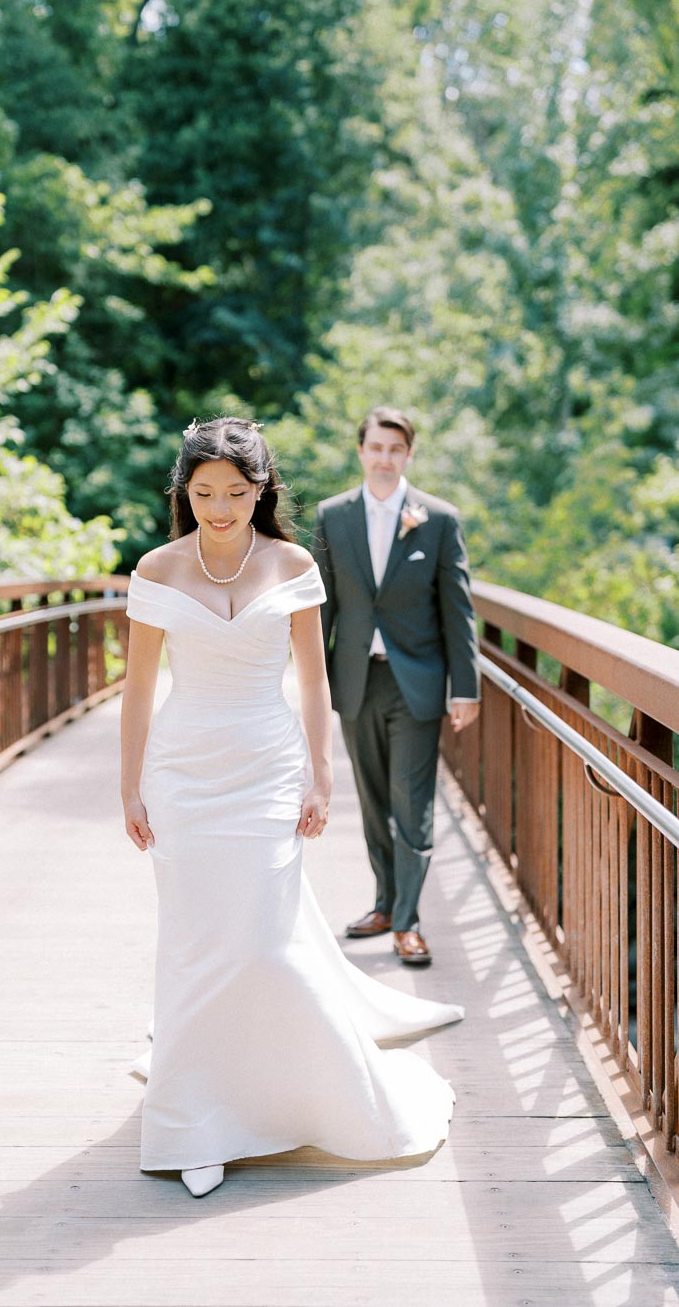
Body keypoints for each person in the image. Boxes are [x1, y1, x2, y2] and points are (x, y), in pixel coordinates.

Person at [120, 416, 464, 1198]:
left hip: (267, 769)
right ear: (184, 492)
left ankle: (283, 1093)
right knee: (196, 941)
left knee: (264, 943)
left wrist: (319, 776)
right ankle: (195, 1121)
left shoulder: (293, 562)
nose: (218, 508)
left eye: (235, 494)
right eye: (203, 493)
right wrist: (129, 785)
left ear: (261, 492)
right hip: (183, 774)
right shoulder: (157, 570)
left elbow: (313, 681)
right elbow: (138, 688)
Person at [312, 408, 480, 967]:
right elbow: (323, 610)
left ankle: (408, 921)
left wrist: (467, 687)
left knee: (413, 804)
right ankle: (384, 901)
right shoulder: (332, 517)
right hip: (356, 681)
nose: (385, 458)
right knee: (372, 798)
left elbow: (458, 610)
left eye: (396, 449)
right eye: (376, 447)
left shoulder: (438, 519)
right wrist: (309, 685)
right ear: (361, 451)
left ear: (409, 455)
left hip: (417, 684)